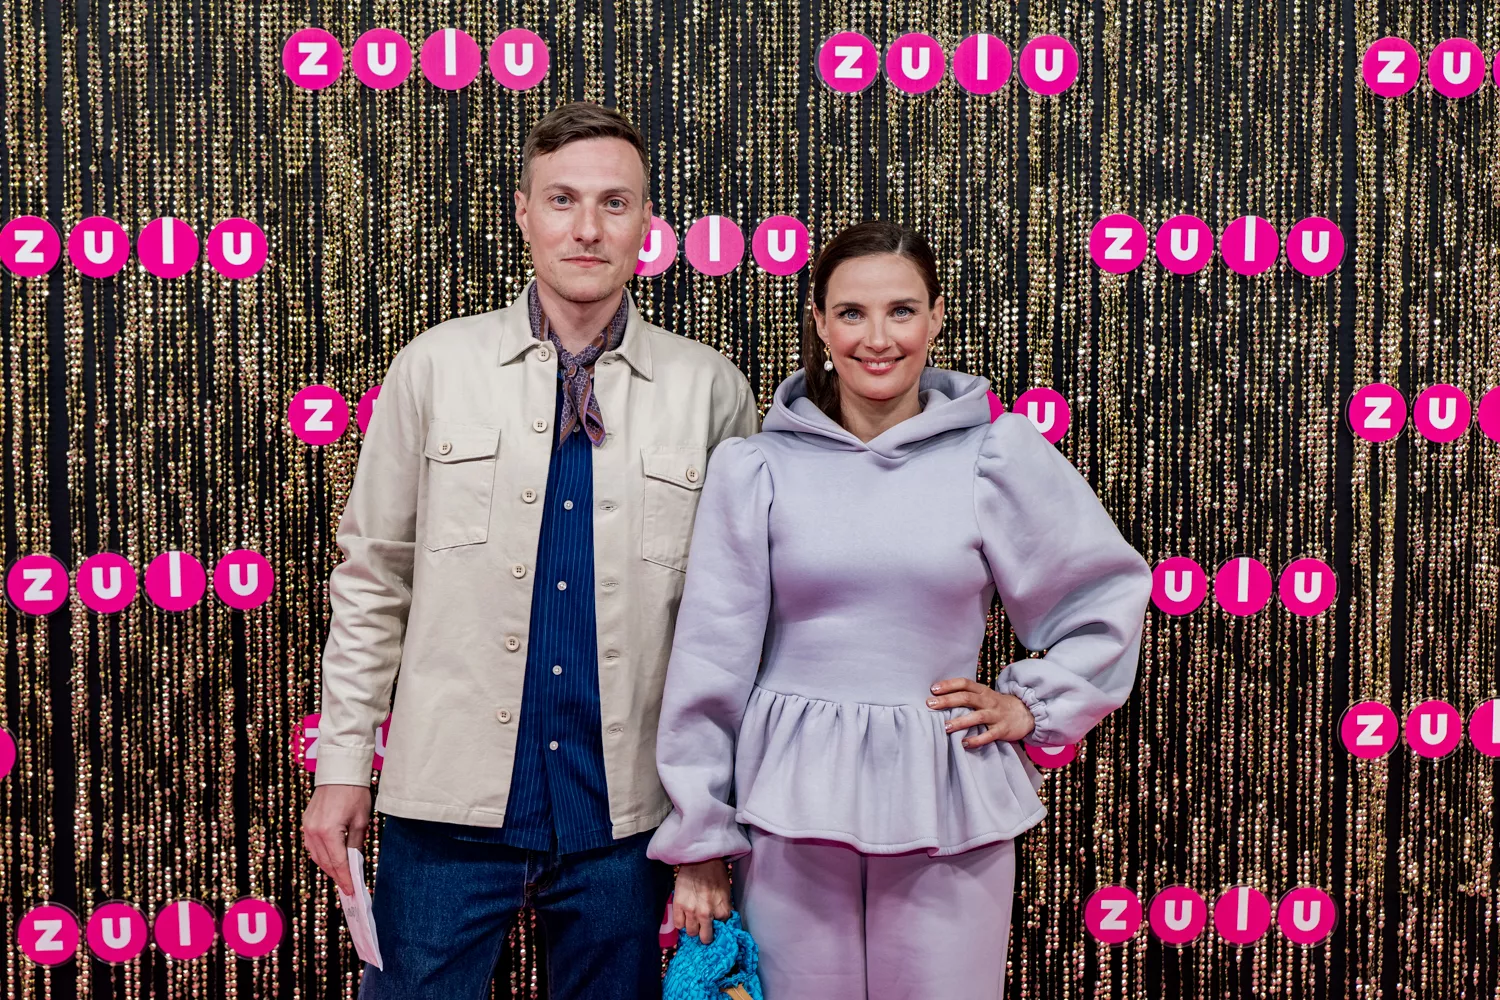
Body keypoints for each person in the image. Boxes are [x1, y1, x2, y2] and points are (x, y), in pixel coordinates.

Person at [301, 100, 759, 999]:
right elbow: (373, 580)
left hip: (627, 817)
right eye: (562, 199)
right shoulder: (435, 367)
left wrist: (709, 827)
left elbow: (736, 626)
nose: (587, 228)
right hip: (446, 807)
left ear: (647, 221)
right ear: (523, 212)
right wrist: (343, 765)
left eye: (614, 203)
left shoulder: (710, 390)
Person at [649, 220, 1152, 999]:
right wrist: (700, 834)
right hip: (789, 807)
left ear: (937, 317)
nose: (877, 338)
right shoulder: (755, 468)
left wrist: (1033, 706)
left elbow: (1104, 594)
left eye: (902, 311)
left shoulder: (996, 455)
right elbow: (710, 663)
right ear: (820, 323)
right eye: (852, 313)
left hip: (946, 797)